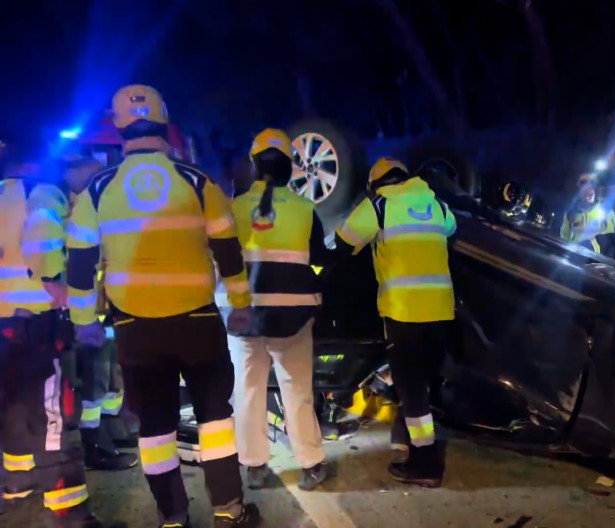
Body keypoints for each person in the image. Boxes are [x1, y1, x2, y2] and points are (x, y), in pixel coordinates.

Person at [65, 85, 260, 528]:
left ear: (117, 126)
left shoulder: (96, 190)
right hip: (197, 321)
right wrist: (242, 304)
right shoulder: (197, 180)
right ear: (166, 120)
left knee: (154, 429)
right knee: (215, 419)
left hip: (135, 326)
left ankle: (172, 517)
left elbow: (79, 264)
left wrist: (84, 324)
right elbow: (227, 247)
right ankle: (230, 511)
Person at [0, 164, 119, 527]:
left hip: (6, 319)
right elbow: (41, 241)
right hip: (36, 321)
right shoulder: (42, 191)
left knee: (15, 410)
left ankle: (16, 487)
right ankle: (72, 514)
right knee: (54, 417)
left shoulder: (5, 191)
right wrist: (57, 283)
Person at [333, 157, 455, 487]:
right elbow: (452, 230)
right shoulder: (437, 204)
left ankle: (425, 463)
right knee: (422, 384)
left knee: (411, 389)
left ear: (377, 184)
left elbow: (342, 243)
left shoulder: (379, 206)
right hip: (442, 311)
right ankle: (410, 443)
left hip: (404, 312)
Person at [227, 129, 331, 491]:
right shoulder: (305, 209)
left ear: (254, 166)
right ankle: (311, 464)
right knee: (297, 390)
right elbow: (318, 259)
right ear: (289, 167)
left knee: (248, 391)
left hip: (244, 317)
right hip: (293, 317)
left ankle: (254, 467)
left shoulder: (234, 208)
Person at [60, 154, 138, 471]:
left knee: (109, 376)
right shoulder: (72, 209)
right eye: (92, 173)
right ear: (72, 172)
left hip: (104, 306)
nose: (99, 179)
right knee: (95, 380)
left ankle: (110, 432)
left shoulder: (93, 204)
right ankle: (93, 447)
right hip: (85, 311)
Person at [559, 173, 615, 254]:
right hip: (573, 255)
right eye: (584, 189)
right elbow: (564, 236)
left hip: (597, 258)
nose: (589, 192)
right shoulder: (571, 213)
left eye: (591, 188)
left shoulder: (606, 211)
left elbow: (613, 236)